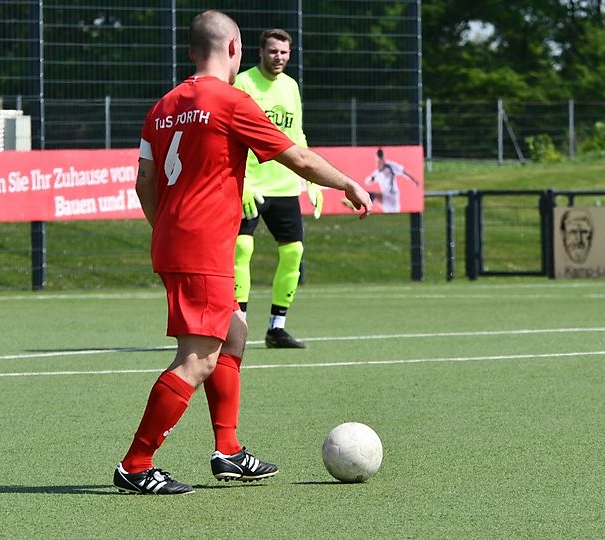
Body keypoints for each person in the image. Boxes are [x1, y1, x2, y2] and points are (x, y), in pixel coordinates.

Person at [114, 10, 372, 495]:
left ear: (192, 52)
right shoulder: (231, 101)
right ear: (234, 49)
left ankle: (228, 451)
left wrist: (167, 228)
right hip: (202, 247)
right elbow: (297, 157)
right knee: (197, 359)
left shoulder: (162, 106)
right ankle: (136, 463)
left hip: (176, 240)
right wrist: (347, 183)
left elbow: (144, 182)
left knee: (235, 332)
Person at [232, 28, 320, 349]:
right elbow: (228, 136)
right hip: (249, 185)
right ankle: (237, 325)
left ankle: (276, 328)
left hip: (283, 185)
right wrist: (240, 182)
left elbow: (297, 136)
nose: (278, 57)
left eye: (284, 52)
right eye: (273, 51)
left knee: (293, 252)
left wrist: (311, 178)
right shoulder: (242, 83)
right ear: (260, 52)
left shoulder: (291, 86)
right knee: (241, 249)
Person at [363, 148, 419, 213]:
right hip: (386, 197)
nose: (378, 164)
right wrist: (371, 179)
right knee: (369, 196)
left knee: (371, 196)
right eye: (377, 162)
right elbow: (367, 182)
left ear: (383, 159)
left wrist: (414, 180)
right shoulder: (377, 173)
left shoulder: (390, 167)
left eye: (380, 161)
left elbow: (403, 172)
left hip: (392, 197)